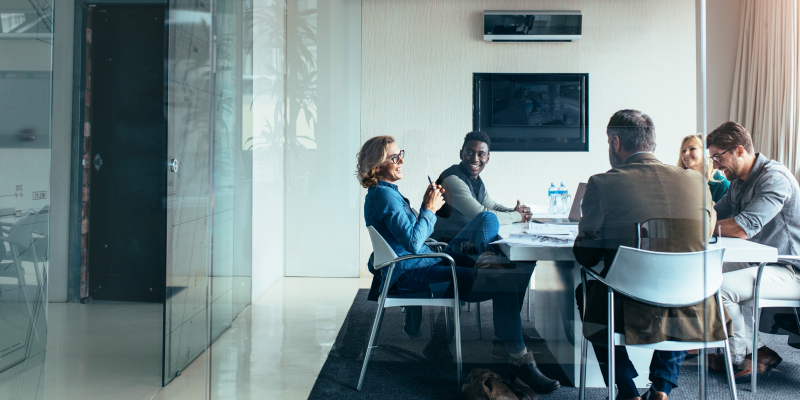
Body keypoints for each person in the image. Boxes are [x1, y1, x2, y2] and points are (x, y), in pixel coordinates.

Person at [357, 135, 560, 394]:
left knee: (499, 254)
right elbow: (411, 241)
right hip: (415, 274)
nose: (402, 160)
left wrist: (426, 206)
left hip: (426, 261)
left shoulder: (385, 194)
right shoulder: (384, 197)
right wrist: (428, 209)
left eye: (400, 154)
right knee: (506, 279)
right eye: (395, 157)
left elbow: (413, 238)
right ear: (377, 165)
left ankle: (492, 277)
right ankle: (520, 360)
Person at [573, 110, 726, 400]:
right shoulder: (697, 183)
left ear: (615, 142)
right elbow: (701, 238)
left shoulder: (602, 183)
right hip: (695, 305)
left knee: (587, 290)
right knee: (680, 289)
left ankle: (627, 390)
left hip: (627, 305)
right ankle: (661, 389)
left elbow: (587, 256)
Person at [705, 121, 800, 383]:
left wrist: (699, 225)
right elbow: (716, 214)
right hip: (763, 262)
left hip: (790, 268)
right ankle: (755, 351)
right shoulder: (739, 182)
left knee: (719, 288)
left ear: (739, 150)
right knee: (701, 273)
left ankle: (744, 354)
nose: (714, 165)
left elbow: (740, 228)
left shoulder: (774, 178)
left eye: (717, 157)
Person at [431, 131, 532, 243]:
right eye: (469, 152)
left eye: (481, 154)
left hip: (464, 242)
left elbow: (492, 206)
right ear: (461, 154)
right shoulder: (452, 180)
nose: (475, 159)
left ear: (487, 159)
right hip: (447, 245)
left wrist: (517, 212)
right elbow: (483, 215)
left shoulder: (475, 179)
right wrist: (517, 216)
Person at [677, 133, 730, 202]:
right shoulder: (679, 182)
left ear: (707, 152)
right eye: (683, 150)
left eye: (692, 148)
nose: (686, 153)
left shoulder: (722, 185)